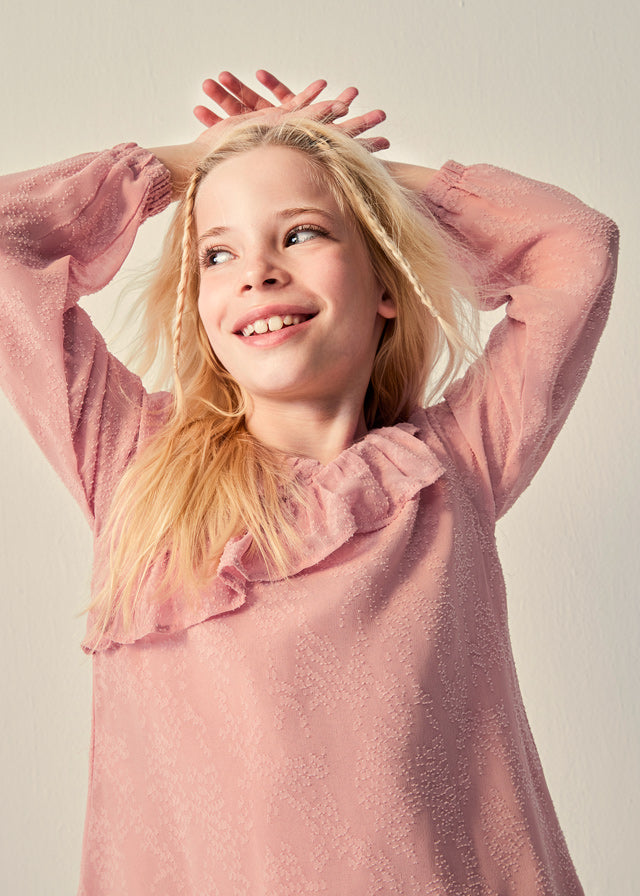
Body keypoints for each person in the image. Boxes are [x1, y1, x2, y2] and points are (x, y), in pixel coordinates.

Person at [0, 70, 618, 895]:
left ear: (387, 284)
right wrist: (185, 165)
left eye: (300, 234)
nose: (256, 271)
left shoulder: (454, 465)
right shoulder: (127, 459)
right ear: (200, 306)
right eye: (219, 252)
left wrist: (350, 170)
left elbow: (577, 246)